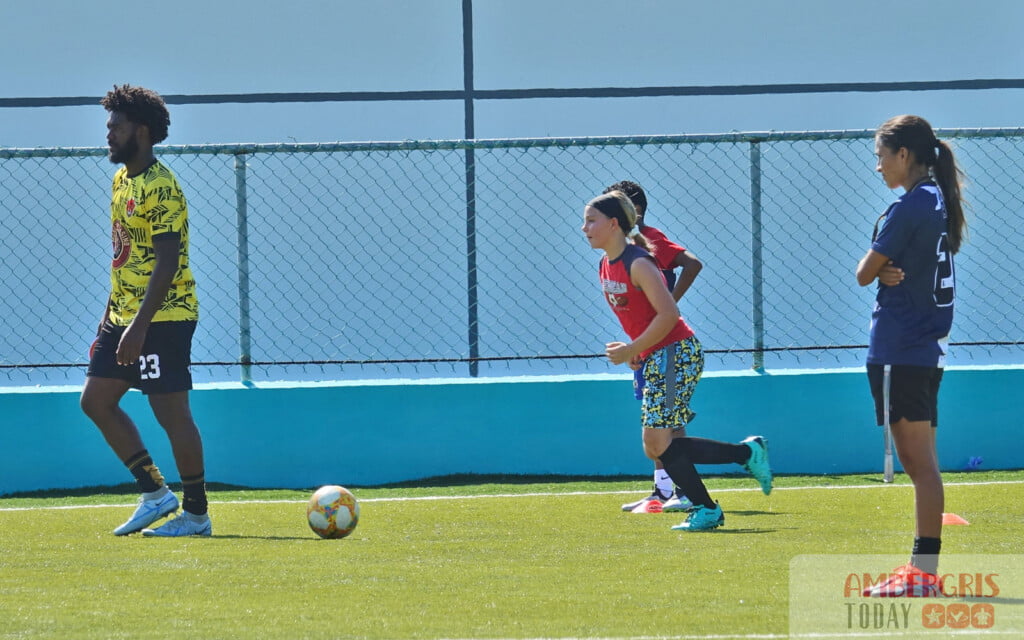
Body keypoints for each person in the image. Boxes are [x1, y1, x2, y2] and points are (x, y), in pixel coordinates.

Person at [582, 190, 772, 531]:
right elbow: (641, 316)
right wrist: (637, 351)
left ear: (613, 224)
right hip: (655, 355)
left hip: (676, 353)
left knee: (658, 444)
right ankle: (742, 460)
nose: (585, 228)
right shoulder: (605, 265)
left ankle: (712, 501)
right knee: (658, 446)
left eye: (591, 220)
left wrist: (631, 348)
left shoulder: (638, 262)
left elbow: (669, 314)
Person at [79, 84, 211, 537]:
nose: (108, 134)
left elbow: (167, 263)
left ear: (141, 130)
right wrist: (109, 318)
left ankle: (196, 516)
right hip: (122, 318)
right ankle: (156, 494)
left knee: (171, 414)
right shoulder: (121, 181)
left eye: (115, 126)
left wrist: (138, 327)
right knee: (95, 401)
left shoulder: (162, 186)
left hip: (165, 317)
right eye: (108, 126)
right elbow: (124, 257)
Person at [855, 115, 966, 595]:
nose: (877, 165)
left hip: (902, 346)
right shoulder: (937, 200)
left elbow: (864, 272)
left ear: (904, 155)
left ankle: (922, 572)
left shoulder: (910, 205)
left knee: (919, 466)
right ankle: (923, 568)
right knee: (927, 464)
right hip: (925, 347)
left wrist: (879, 271)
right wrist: (888, 271)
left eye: (881, 155)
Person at [602, 181, 705, 514]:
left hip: (668, 345)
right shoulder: (612, 258)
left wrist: (668, 306)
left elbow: (693, 264)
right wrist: (636, 348)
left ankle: (687, 489)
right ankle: (662, 492)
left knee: (669, 422)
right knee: (656, 420)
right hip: (649, 348)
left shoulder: (648, 245)